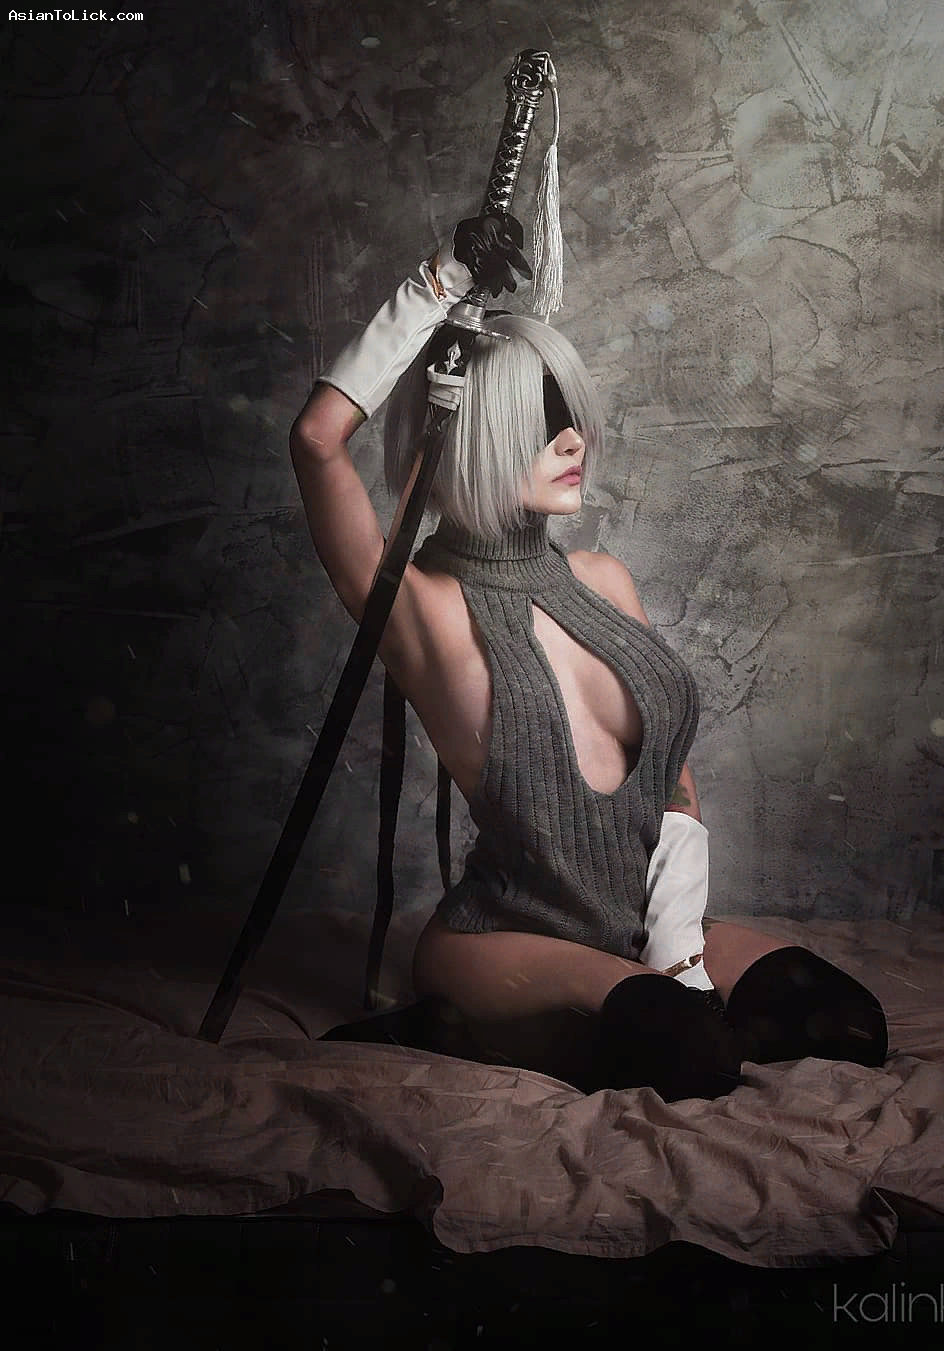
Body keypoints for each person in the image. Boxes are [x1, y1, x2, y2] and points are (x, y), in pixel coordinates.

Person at [290, 213, 888, 1100]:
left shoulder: (605, 581)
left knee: (848, 1025)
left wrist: (678, 941)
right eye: (543, 422)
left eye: (573, 415)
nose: (575, 441)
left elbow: (671, 781)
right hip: (507, 935)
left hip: (639, 923)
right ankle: (463, 1018)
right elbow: (316, 439)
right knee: (691, 1054)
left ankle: (580, 1019)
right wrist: (439, 280)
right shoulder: (421, 609)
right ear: (476, 431)